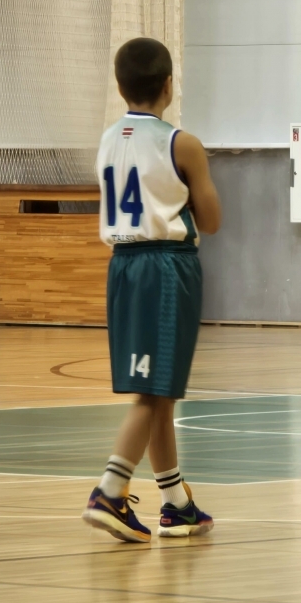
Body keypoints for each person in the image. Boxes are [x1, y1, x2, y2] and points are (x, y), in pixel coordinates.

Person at [82, 38, 222, 542]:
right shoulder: (180, 142)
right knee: (152, 391)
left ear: (119, 87)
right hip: (166, 266)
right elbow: (213, 219)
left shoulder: (106, 139)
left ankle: (175, 502)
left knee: (159, 389)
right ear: (169, 85)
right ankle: (110, 490)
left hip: (122, 266)